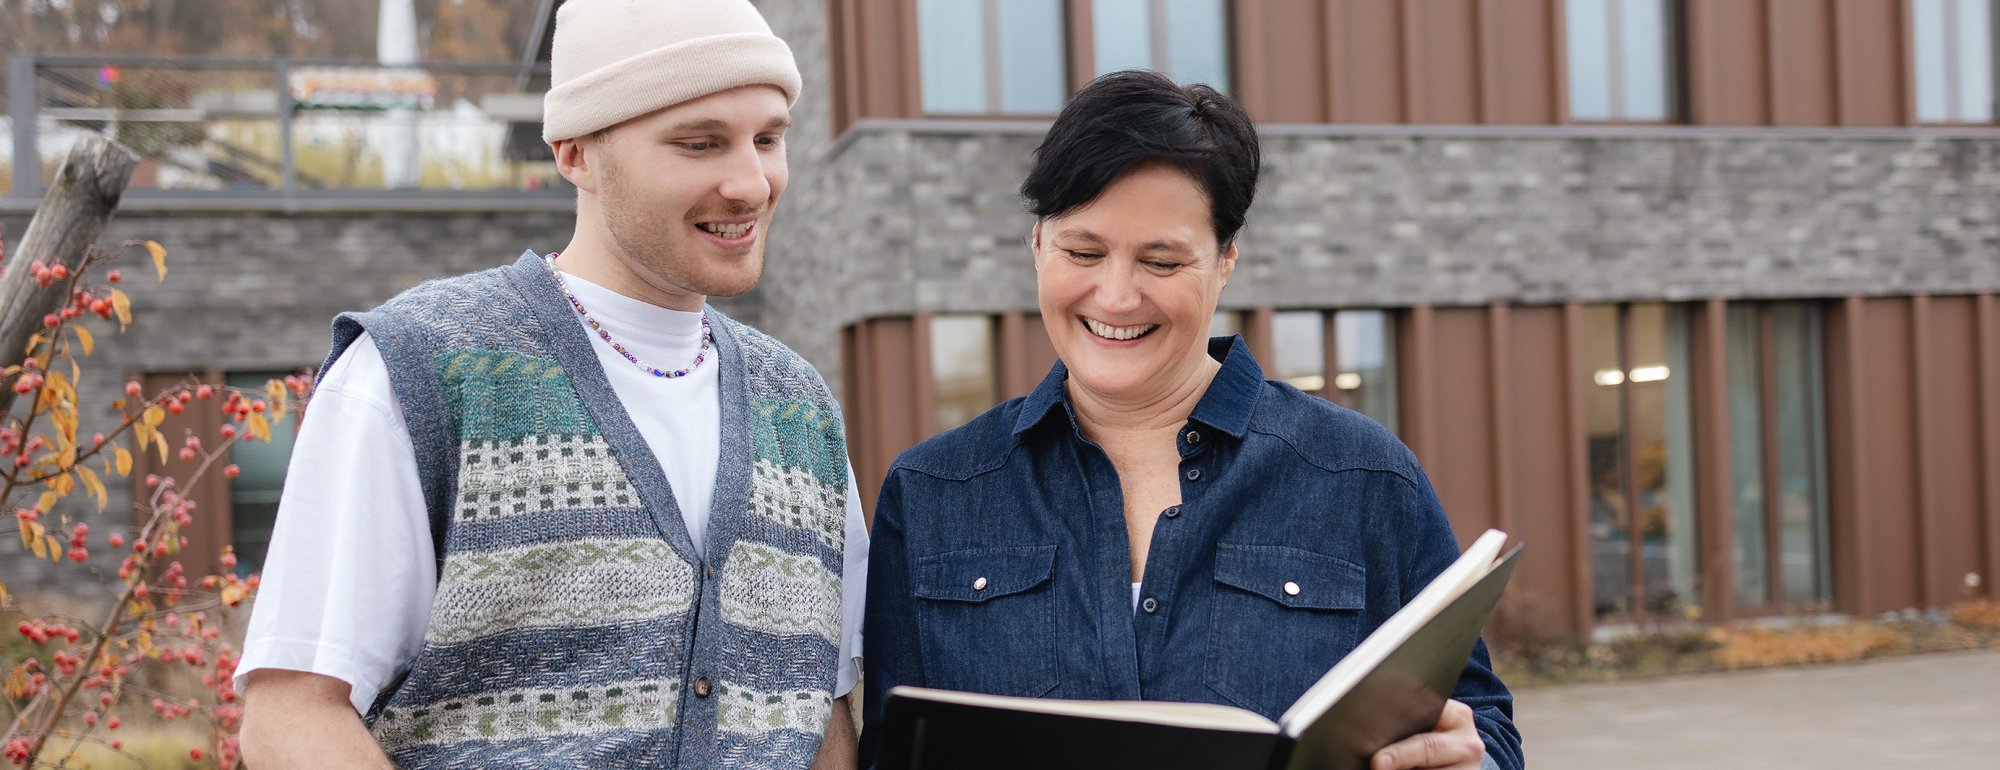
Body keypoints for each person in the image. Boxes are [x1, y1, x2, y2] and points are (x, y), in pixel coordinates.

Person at [236, 1, 866, 767]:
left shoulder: (799, 411)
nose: (749, 183)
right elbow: (291, 721)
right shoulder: (422, 371)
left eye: (768, 139)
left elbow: (823, 722)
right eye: (699, 144)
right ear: (574, 154)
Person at [859, 71, 1522, 770]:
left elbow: (1487, 735)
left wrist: (1466, 762)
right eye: (1082, 252)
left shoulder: (1365, 477)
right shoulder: (932, 491)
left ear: (1225, 261)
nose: (1115, 297)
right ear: (1036, 245)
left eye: (1162, 260)